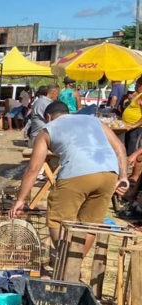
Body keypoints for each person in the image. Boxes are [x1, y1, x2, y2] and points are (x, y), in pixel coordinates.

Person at [10, 100, 128, 259]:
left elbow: (33, 169)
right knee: (91, 224)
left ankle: (66, 262)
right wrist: (124, 177)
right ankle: (75, 264)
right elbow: (120, 147)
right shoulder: (93, 120)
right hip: (109, 173)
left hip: (76, 173)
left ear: (49, 117)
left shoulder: (47, 130)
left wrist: (21, 199)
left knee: (58, 221)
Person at [122, 78, 142, 156]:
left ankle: (132, 166)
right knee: (128, 150)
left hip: (137, 129)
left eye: (138, 85)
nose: (135, 86)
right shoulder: (138, 95)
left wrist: (134, 125)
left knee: (133, 153)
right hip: (130, 128)